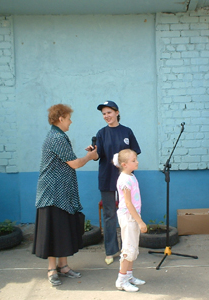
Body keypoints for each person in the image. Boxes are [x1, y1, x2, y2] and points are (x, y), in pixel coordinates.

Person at [32, 104, 98, 286]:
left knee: (62, 229)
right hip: (52, 193)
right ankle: (52, 269)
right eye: (69, 118)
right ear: (60, 118)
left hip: (61, 192)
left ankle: (63, 266)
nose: (71, 121)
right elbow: (75, 164)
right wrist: (91, 157)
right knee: (54, 230)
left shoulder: (59, 136)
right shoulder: (57, 138)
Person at [89, 101, 141, 265]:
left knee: (129, 212)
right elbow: (98, 156)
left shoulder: (127, 132)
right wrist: (93, 152)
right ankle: (111, 250)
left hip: (126, 179)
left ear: (117, 112)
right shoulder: (101, 133)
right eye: (104, 114)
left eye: (109, 112)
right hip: (107, 179)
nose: (106, 116)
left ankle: (129, 249)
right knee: (110, 215)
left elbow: (134, 154)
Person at [113, 149, 146, 292]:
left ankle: (129, 276)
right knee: (128, 249)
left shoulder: (131, 176)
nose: (137, 162)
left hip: (132, 216)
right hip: (129, 217)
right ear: (124, 164)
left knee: (133, 247)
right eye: (134, 160)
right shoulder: (125, 180)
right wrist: (140, 221)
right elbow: (128, 203)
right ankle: (121, 280)